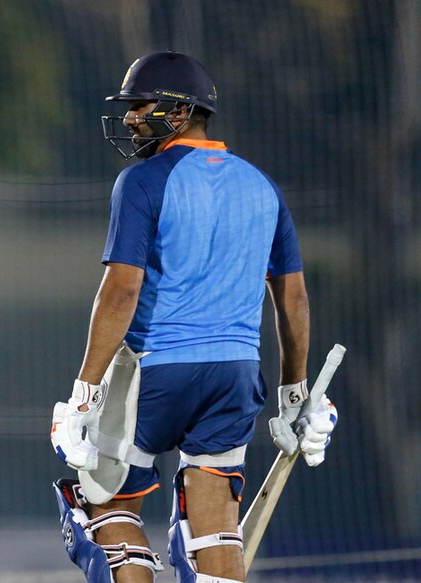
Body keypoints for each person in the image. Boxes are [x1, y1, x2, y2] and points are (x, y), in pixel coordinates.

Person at [49, 51, 339, 583]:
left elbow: (121, 291)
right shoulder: (263, 186)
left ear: (177, 111)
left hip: (155, 372)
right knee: (215, 532)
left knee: (103, 508)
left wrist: (83, 394)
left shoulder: (141, 181)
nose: (131, 117)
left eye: (140, 105)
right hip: (235, 374)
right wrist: (295, 394)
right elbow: (292, 298)